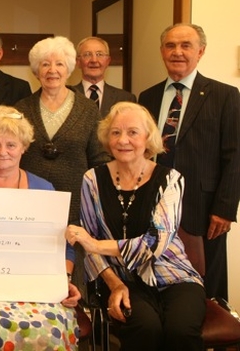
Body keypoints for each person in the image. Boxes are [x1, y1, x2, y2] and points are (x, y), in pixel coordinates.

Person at [66, 102, 206, 351]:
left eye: (132, 132)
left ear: (147, 138)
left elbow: (155, 242)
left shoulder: (171, 180)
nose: (123, 140)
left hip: (174, 275)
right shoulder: (92, 180)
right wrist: (115, 284)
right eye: (116, 132)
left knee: (180, 331)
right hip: (123, 278)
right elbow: (90, 251)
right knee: (145, 329)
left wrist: (96, 243)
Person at [0, 105, 81, 351]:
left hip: (35, 290)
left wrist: (65, 280)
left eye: (11, 145)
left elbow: (64, 248)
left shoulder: (44, 189)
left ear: (24, 147)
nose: (3, 152)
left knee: (50, 328)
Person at [138, 23, 240, 300]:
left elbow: (235, 155)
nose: (177, 52)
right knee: (157, 277)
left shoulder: (224, 95)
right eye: (170, 45)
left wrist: (225, 208)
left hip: (205, 209)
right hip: (155, 203)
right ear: (162, 52)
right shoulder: (148, 97)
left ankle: (212, 341)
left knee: (209, 287)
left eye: (186, 45)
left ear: (201, 51)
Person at [14, 36, 109, 226]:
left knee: (71, 254)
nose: (52, 70)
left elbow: (99, 160)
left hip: (76, 202)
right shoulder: (22, 109)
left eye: (59, 64)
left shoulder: (88, 109)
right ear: (36, 71)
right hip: (30, 202)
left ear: (69, 69)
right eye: (45, 64)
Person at [72, 36, 136, 117]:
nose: (94, 60)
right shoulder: (68, 96)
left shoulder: (125, 99)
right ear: (78, 62)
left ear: (108, 61)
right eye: (87, 54)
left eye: (99, 54)